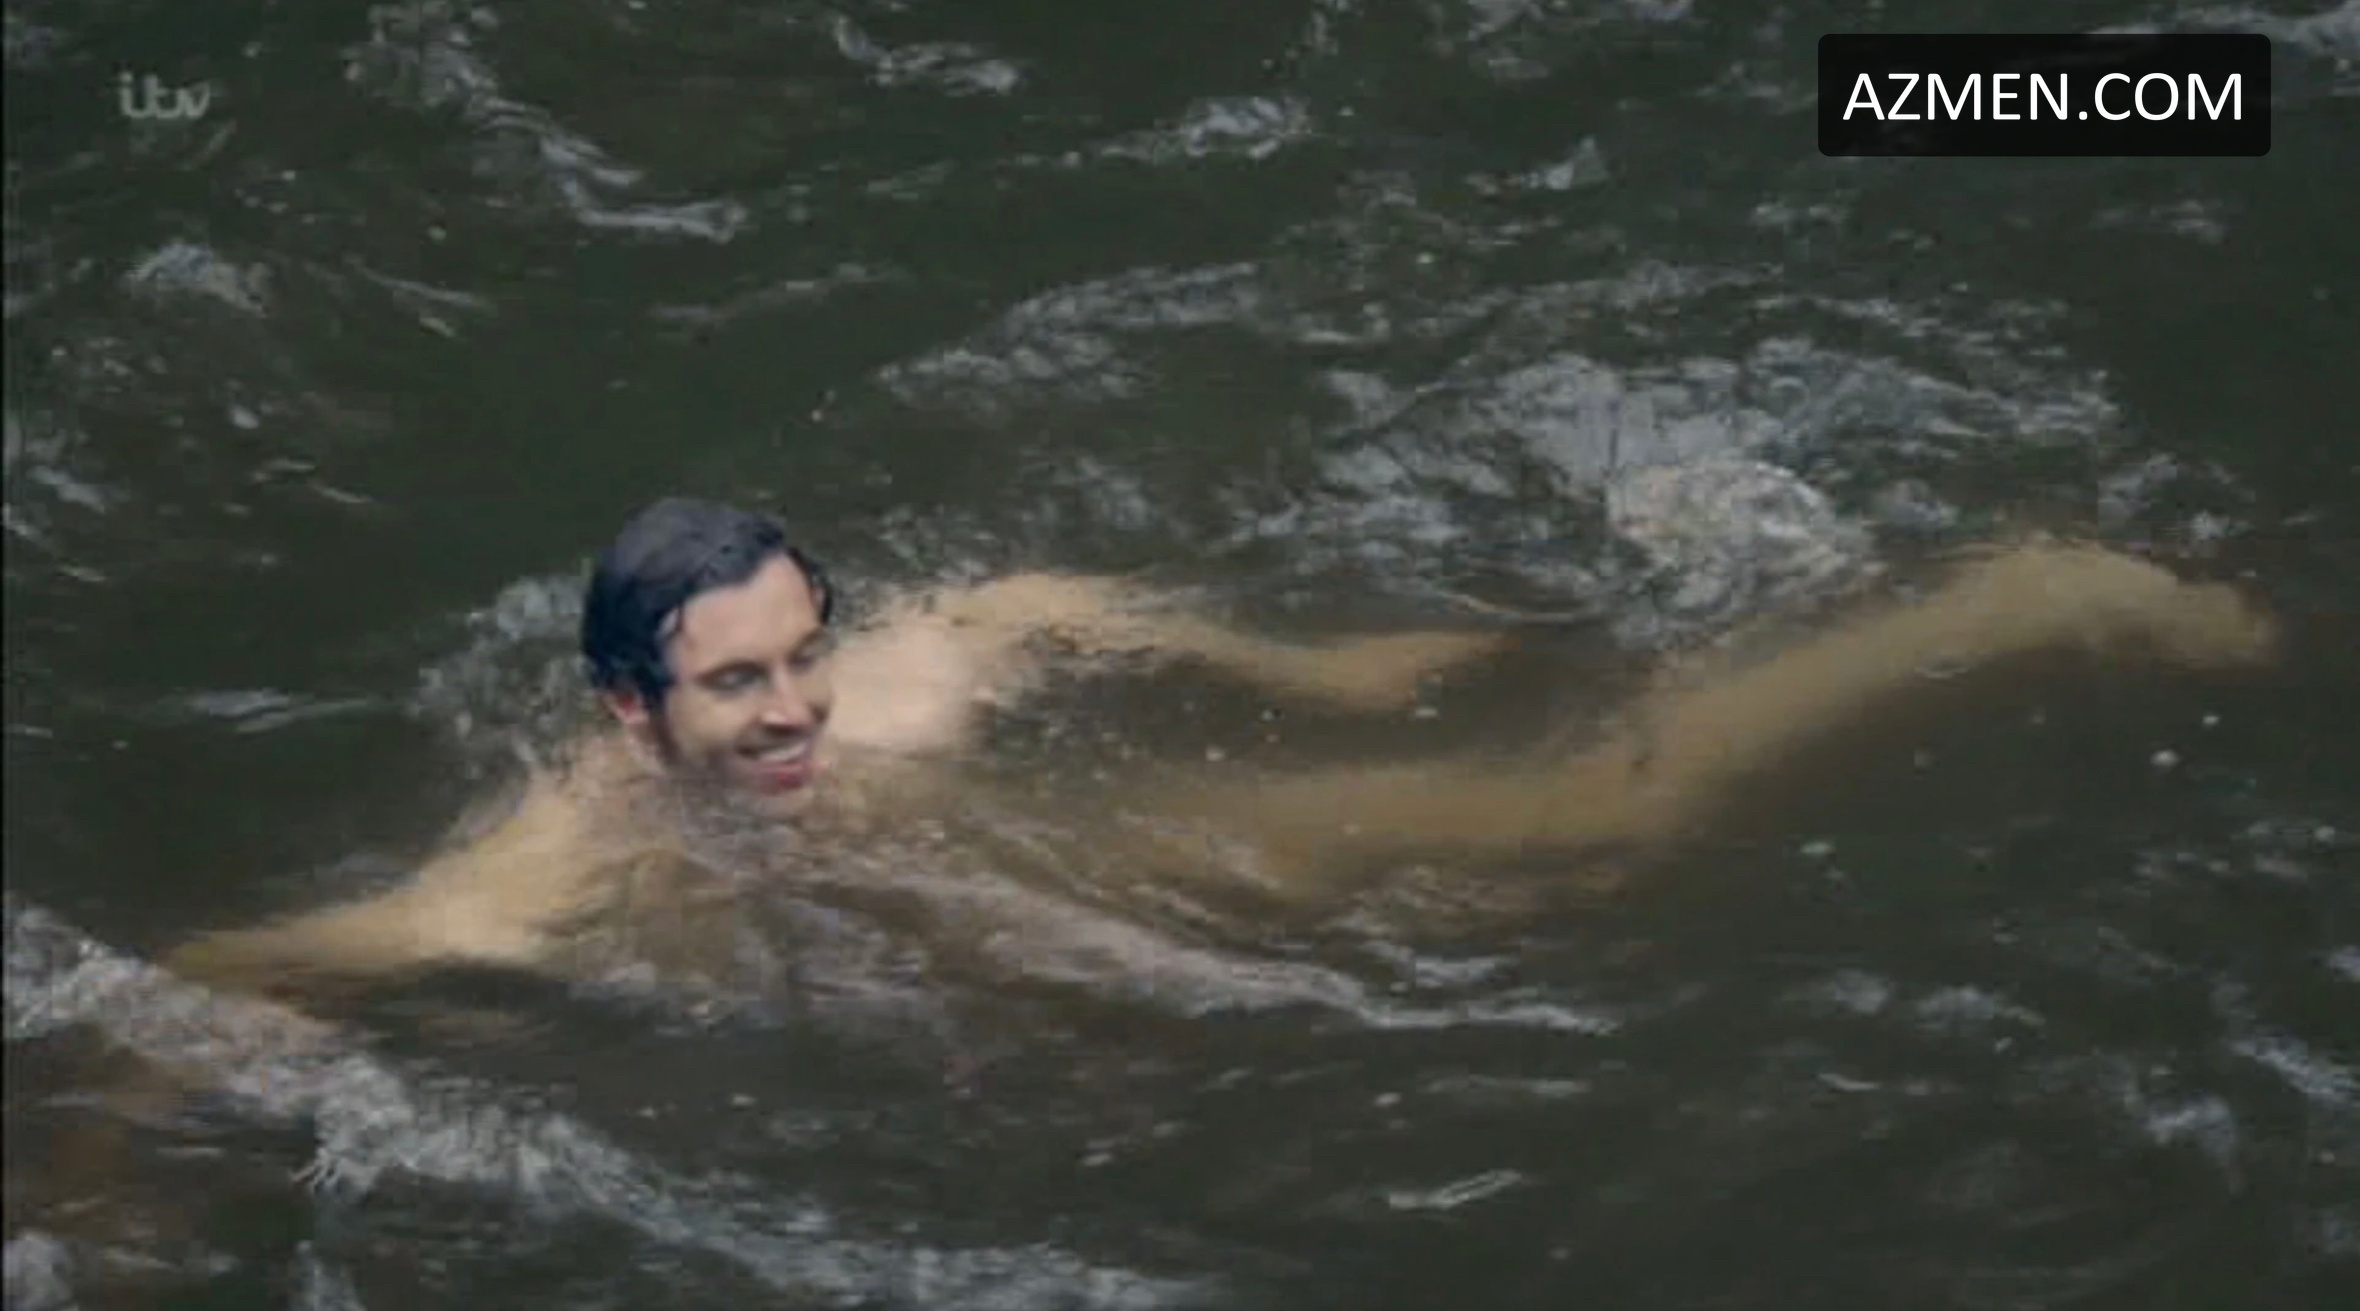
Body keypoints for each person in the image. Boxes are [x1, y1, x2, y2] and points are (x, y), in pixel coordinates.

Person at [164, 496, 2281, 1002]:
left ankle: (2021, 592)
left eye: (807, 655)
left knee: (1597, 814)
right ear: (630, 713)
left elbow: (1035, 606)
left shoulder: (895, 690)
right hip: (1001, 920)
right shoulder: (551, 867)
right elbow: (252, 969)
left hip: (1093, 847)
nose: (798, 707)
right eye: (739, 688)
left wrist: (1317, 675)